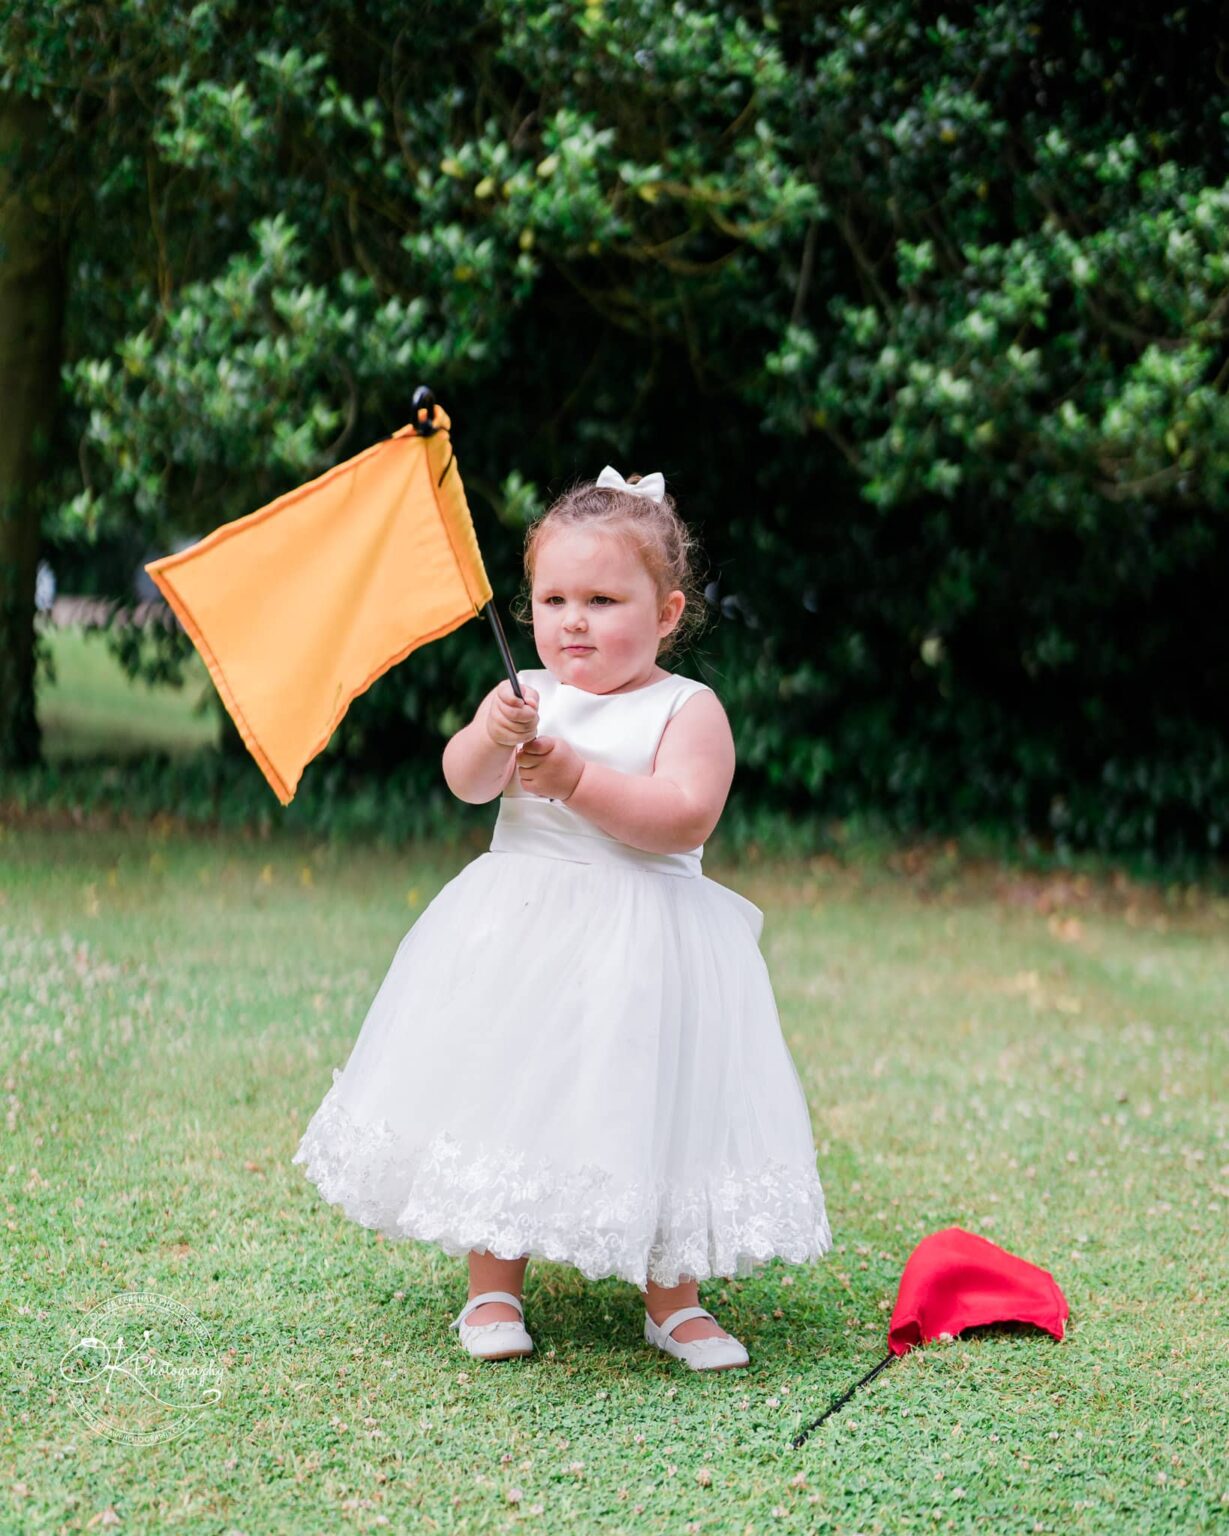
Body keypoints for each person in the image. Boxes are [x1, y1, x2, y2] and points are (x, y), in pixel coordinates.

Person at [292, 464, 832, 1371]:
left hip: (649, 942)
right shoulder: (524, 696)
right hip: (524, 933)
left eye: (602, 598)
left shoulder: (687, 709)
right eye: (553, 598)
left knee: (659, 1107)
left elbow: (684, 818)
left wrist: (577, 779)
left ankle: (673, 1300)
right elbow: (464, 784)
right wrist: (493, 739)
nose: (573, 619)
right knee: (507, 1094)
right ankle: (493, 1286)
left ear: (665, 613)